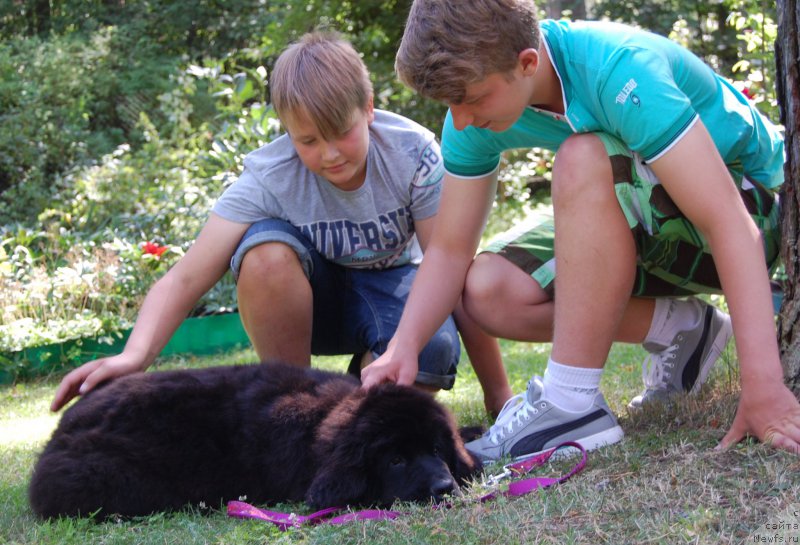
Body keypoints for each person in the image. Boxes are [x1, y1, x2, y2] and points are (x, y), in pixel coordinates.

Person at [361, 0, 800, 459]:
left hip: (758, 211)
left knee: (582, 156)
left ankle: (571, 403)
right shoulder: (474, 112)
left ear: (527, 63)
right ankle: (687, 330)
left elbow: (728, 221)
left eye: (471, 99)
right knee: (488, 290)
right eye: (452, 104)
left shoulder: (617, 70)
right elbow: (449, 250)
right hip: (655, 226)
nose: (462, 120)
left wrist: (764, 387)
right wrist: (402, 346)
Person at [50, 31, 506, 413]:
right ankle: (294, 406)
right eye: (307, 140)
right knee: (263, 253)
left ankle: (357, 397)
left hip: (394, 291)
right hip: (312, 305)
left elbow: (451, 269)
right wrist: (135, 355)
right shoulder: (269, 176)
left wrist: (497, 394)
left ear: (367, 108)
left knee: (429, 352)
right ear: (286, 129)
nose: (329, 154)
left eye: (341, 133)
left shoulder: (414, 155)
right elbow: (185, 277)